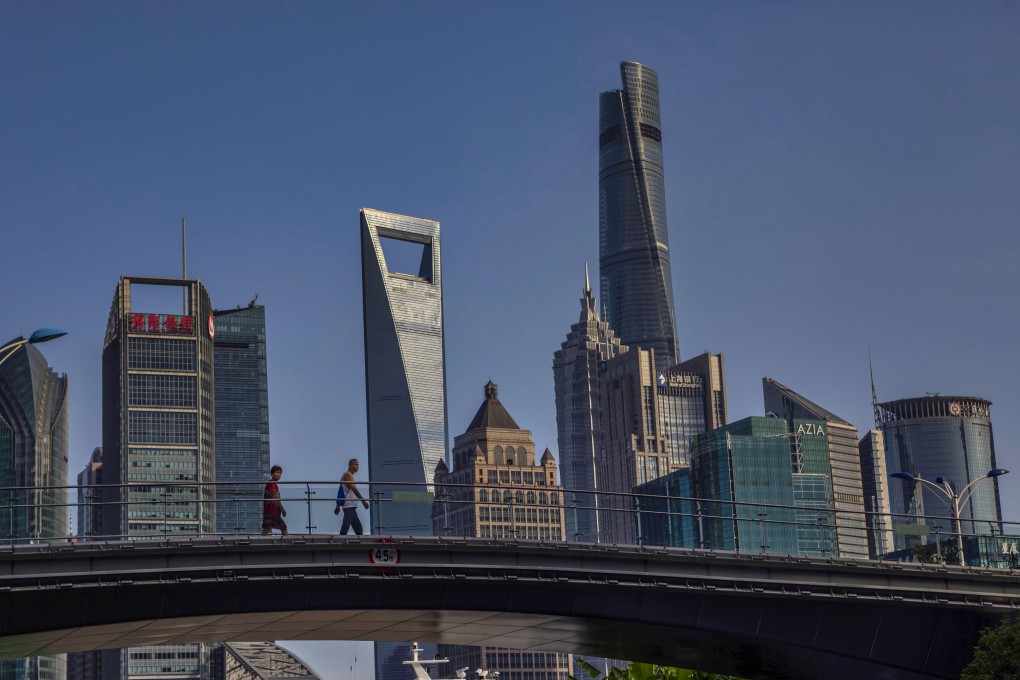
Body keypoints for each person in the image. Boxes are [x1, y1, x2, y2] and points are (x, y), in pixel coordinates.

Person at [334, 458, 369, 535]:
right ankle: (340, 541)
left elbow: (341, 491)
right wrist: (363, 501)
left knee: (358, 528)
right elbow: (354, 489)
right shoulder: (348, 475)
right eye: (355, 465)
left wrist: (338, 506)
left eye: (358, 465)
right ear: (350, 465)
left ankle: (359, 543)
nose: (357, 467)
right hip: (349, 505)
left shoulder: (345, 475)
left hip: (350, 505)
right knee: (346, 525)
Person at [261, 464, 288, 536]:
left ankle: (260, 543)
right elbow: (275, 497)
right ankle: (287, 545)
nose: (279, 474)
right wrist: (283, 510)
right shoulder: (272, 484)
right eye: (277, 472)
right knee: (284, 528)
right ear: (272, 473)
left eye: (280, 473)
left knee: (267, 528)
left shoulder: (272, 484)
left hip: (270, 512)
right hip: (272, 513)